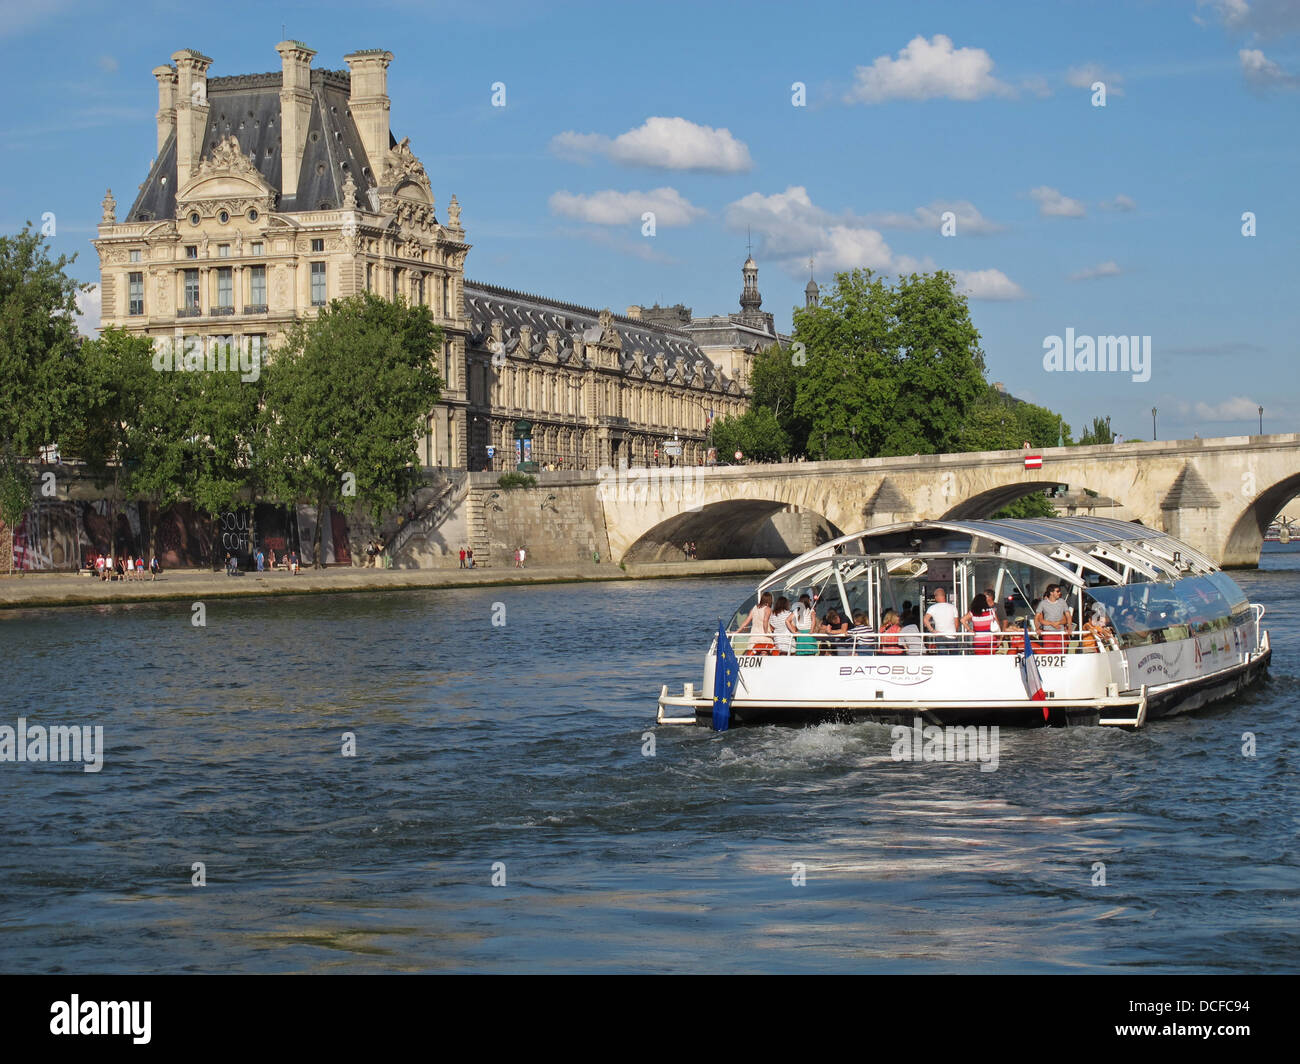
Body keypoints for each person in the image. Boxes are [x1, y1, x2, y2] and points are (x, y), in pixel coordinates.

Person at [1035, 583, 1073, 654]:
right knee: (1049, 652)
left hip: (1060, 632)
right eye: (1057, 591)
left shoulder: (1062, 602)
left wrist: (1069, 628)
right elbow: (1037, 617)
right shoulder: (1043, 603)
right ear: (1051, 593)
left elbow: (1068, 615)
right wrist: (1037, 628)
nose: (1060, 593)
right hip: (1048, 633)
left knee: (1061, 653)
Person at [924, 588, 959, 653]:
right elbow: (956, 622)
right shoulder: (953, 607)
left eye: (935, 596)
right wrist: (955, 632)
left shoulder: (932, 608)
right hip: (952, 635)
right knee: (954, 658)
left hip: (939, 635)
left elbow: (925, 619)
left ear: (937, 596)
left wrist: (932, 630)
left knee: (942, 658)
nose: (935, 597)